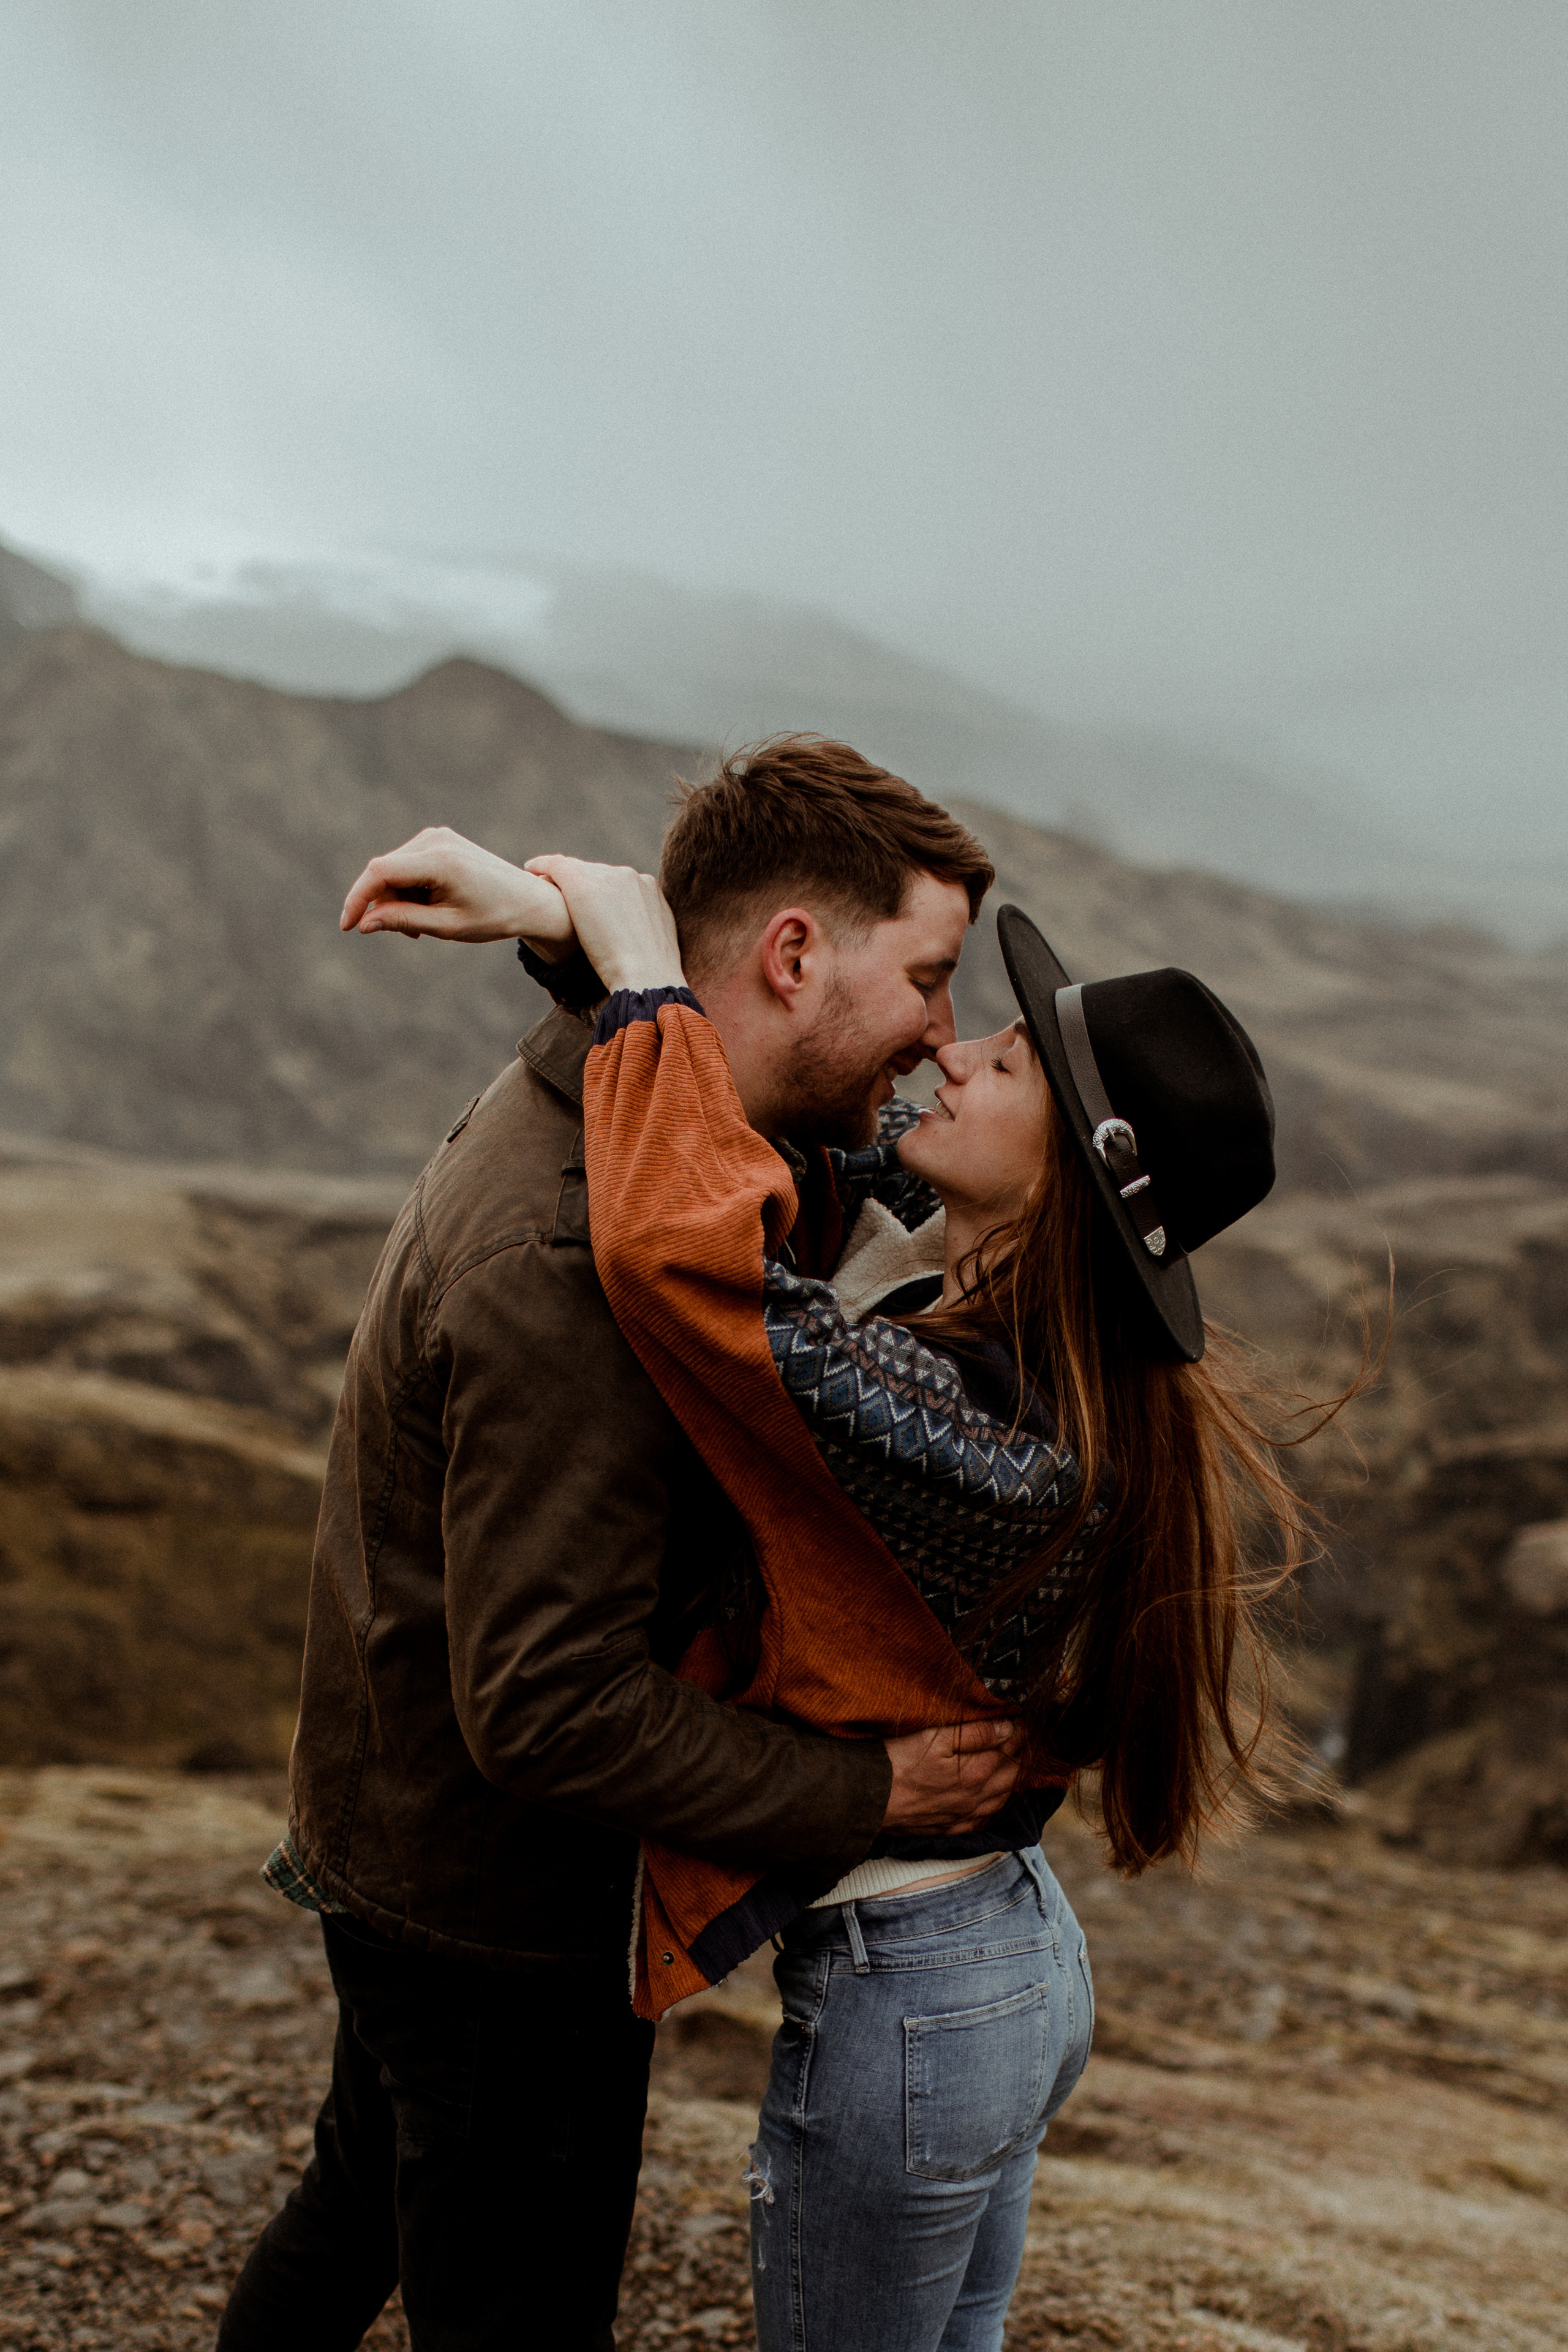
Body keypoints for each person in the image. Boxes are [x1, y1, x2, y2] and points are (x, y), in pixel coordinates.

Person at [366, 832, 1343, 2352]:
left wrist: (639, 974)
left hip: (928, 1994)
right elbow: (775, 1122)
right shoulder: (984, 1302)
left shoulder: (971, 1427)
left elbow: (693, 1260)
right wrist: (568, 923)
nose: (950, 1058)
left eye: (1007, 1064)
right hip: (987, 1966)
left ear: (1075, 1178)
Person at [216, 740, 1023, 2352]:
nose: (946, 1035)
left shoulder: (658, 1118)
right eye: (930, 979)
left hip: (413, 1842)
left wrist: (572, 925)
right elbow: (549, 1705)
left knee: (364, 2196)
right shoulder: (581, 1256)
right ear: (794, 956)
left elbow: (780, 1156)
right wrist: (873, 1794)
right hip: (494, 1909)